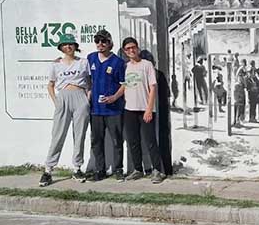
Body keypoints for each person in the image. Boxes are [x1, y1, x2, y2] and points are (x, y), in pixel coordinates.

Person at [39, 33, 91, 187]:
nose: (68, 47)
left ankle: (77, 168)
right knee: (58, 134)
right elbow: (50, 85)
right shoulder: (55, 64)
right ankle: (48, 170)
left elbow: (89, 82)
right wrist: (56, 101)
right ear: (61, 47)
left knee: (79, 134)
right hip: (63, 97)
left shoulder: (83, 62)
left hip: (80, 96)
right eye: (65, 44)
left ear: (75, 46)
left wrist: (87, 99)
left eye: (71, 44)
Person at [121, 37, 165, 184]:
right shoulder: (126, 67)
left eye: (133, 47)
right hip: (129, 110)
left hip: (145, 109)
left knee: (150, 140)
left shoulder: (147, 65)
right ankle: (138, 170)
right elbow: (125, 86)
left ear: (137, 48)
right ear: (124, 52)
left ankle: (157, 170)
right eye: (128, 49)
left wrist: (149, 109)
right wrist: (114, 97)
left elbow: (153, 87)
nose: (131, 50)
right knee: (133, 141)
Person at [87, 29, 126, 182]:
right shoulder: (90, 58)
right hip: (95, 110)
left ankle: (118, 169)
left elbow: (124, 85)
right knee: (96, 140)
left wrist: (114, 97)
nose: (100, 44)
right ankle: (100, 169)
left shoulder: (118, 62)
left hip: (113, 110)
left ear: (110, 43)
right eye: (97, 41)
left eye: (104, 41)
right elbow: (85, 77)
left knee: (117, 140)